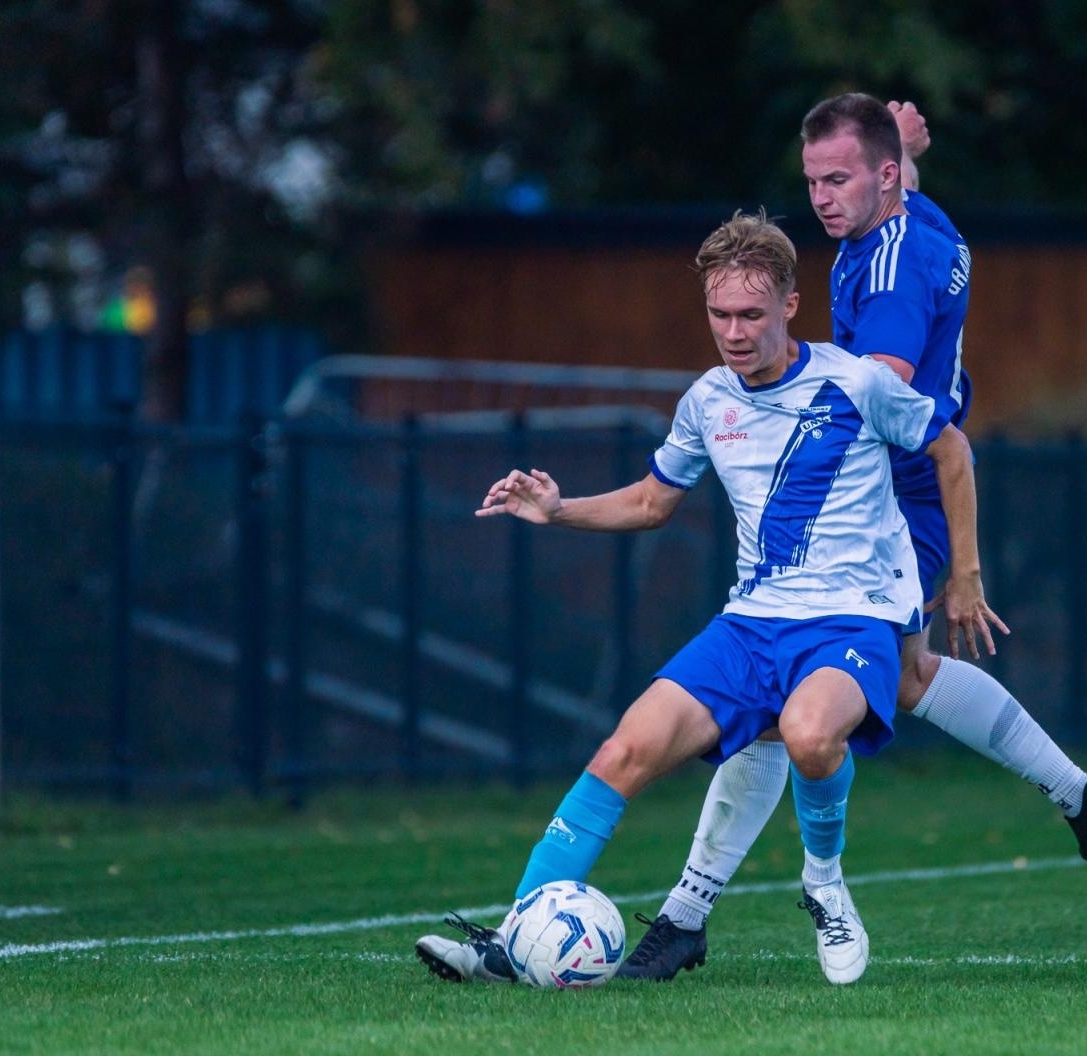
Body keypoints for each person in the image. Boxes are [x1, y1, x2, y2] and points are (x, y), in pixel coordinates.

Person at [618, 93, 1087, 982]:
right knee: (899, 675)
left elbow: (869, 395)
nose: (820, 198)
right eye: (813, 179)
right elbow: (898, 217)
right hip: (898, 495)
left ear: (884, 176)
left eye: (839, 178)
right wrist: (905, 155)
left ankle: (688, 913)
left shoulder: (889, 276)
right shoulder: (908, 222)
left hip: (886, 499)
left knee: (787, 705)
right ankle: (1079, 792)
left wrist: (764, 404)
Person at [415, 210, 975, 987]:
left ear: (789, 305)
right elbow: (651, 502)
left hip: (851, 617)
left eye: (751, 313)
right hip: (749, 626)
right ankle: (513, 941)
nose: (734, 331)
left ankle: (824, 881)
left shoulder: (856, 382)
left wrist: (966, 573)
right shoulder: (710, 400)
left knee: (810, 736)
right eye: (720, 314)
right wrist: (557, 508)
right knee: (621, 753)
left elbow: (951, 446)